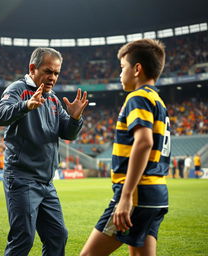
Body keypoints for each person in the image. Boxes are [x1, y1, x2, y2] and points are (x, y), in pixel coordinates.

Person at [0, 47, 88, 256]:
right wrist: (26, 105)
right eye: (48, 71)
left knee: (58, 236)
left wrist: (74, 119)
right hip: (22, 178)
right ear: (32, 68)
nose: (52, 77)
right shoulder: (18, 89)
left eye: (56, 73)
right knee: (23, 239)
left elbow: (68, 134)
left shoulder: (53, 99)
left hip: (46, 182)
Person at [80, 39, 171, 256]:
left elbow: (144, 142)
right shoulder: (157, 100)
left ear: (137, 69)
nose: (120, 75)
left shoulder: (137, 97)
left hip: (137, 194)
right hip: (156, 194)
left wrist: (126, 196)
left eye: (122, 68)